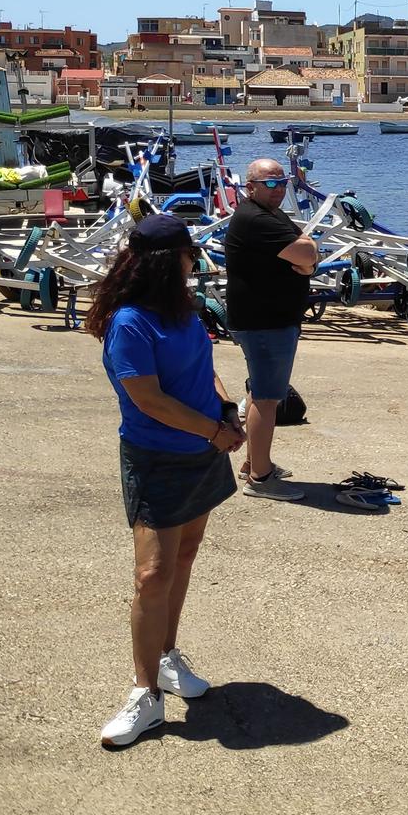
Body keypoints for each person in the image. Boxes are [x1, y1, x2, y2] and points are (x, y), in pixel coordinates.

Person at [86, 212, 246, 748]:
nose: (193, 261)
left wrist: (225, 407)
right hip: (158, 456)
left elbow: (206, 366)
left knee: (184, 558)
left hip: (202, 450)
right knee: (152, 574)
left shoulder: (183, 310)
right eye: (187, 253)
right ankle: (144, 693)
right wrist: (215, 433)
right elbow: (147, 399)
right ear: (166, 259)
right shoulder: (130, 321)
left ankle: (167, 654)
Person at [223, 158, 317, 500]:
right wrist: (305, 258)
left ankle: (254, 463)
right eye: (271, 184)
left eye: (284, 183)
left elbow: (307, 251)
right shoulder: (256, 218)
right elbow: (306, 250)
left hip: (269, 319)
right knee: (267, 399)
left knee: (260, 392)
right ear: (251, 186)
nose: (279, 190)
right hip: (264, 321)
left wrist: (306, 257)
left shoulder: (269, 214)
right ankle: (261, 479)